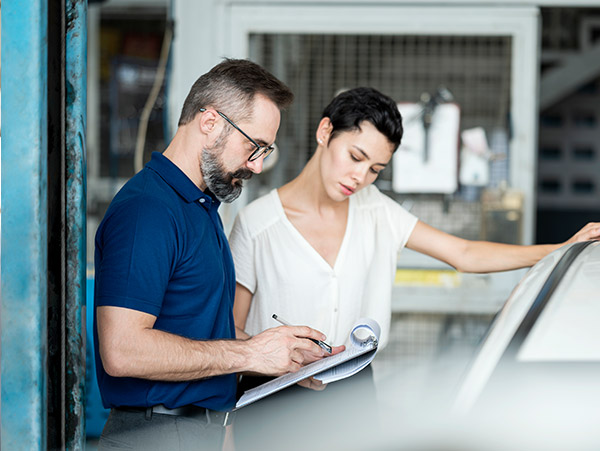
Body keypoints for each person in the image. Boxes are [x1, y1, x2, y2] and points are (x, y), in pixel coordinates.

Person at [227, 87, 600, 448]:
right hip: (271, 396)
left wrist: (560, 250)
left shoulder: (376, 210)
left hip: (351, 393)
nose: (360, 178)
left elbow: (465, 254)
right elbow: (231, 329)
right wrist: (280, 359)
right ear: (325, 132)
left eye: (375, 169)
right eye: (355, 157)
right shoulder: (258, 224)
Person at [93, 58, 338, 451]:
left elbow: (199, 332)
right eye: (254, 147)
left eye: (266, 151)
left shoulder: (200, 207)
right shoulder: (148, 211)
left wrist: (282, 357)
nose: (257, 165)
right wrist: (249, 353)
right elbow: (122, 351)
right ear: (210, 123)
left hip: (196, 432)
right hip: (155, 435)